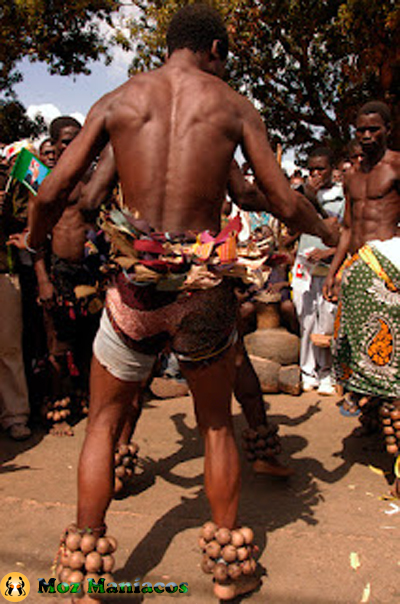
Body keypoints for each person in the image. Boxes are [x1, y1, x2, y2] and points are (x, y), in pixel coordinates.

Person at [28, 5, 338, 600]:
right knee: (217, 424)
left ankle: (82, 568)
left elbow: (52, 191)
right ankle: (229, 569)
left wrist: (37, 245)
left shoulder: (120, 99)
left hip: (135, 291)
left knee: (103, 422)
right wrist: (325, 231)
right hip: (205, 294)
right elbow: (274, 194)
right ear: (216, 48)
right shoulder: (232, 104)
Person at [323, 101, 399, 494]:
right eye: (360, 130)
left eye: (374, 129)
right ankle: (373, 423)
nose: (367, 136)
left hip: (391, 271)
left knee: (394, 369)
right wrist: (335, 271)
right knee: (365, 364)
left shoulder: (397, 166)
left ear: (388, 128)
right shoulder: (351, 178)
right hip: (360, 273)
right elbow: (349, 230)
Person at [291, 147, 345, 395]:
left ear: (332, 170)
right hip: (305, 265)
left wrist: (327, 253)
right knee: (306, 319)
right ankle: (307, 371)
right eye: (311, 169)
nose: (315, 173)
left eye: (320, 169)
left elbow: (344, 234)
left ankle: (327, 372)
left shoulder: (342, 197)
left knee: (327, 319)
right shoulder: (299, 195)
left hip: (329, 266)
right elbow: (291, 229)